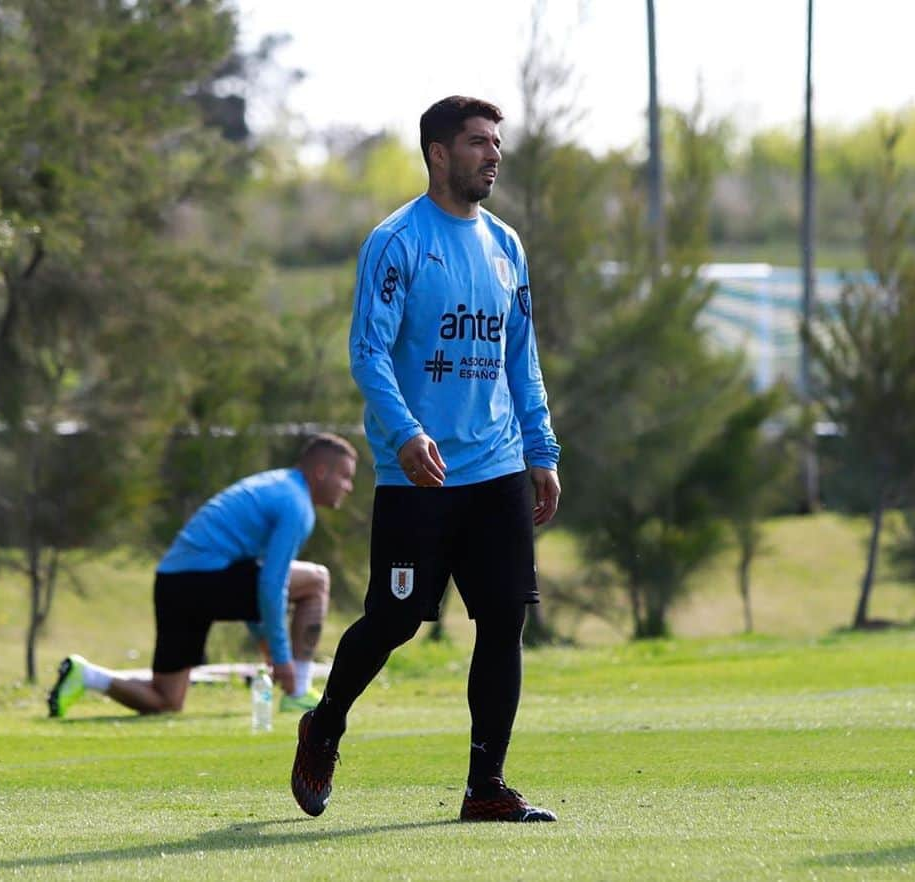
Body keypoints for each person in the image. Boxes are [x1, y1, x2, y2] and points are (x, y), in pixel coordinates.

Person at [291, 96, 561, 823]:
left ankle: (486, 788)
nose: (494, 154)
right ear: (439, 154)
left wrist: (541, 448)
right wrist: (406, 434)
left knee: (504, 621)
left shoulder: (507, 246)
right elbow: (368, 352)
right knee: (396, 618)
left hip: (499, 466)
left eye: (497, 143)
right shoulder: (397, 240)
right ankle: (324, 725)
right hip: (421, 474)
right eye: (478, 142)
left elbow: (520, 356)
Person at [47, 433, 357, 718]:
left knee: (167, 700)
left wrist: (264, 641)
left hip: (173, 583)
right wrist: (281, 659)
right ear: (320, 472)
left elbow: (249, 571)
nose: (348, 486)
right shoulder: (296, 505)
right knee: (317, 579)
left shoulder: (277, 486)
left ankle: (86, 675)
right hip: (204, 580)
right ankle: (299, 690)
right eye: (344, 476)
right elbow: (271, 584)